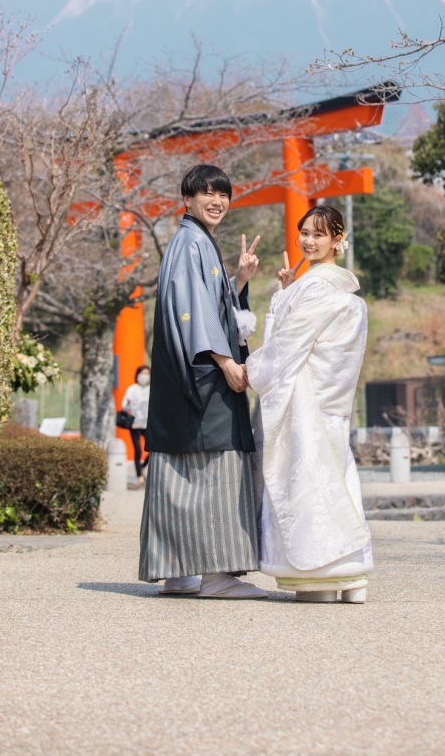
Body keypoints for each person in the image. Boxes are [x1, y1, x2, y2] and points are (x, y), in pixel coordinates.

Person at [138, 163, 267, 600]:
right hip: (205, 374)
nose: (217, 200)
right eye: (207, 193)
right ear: (187, 199)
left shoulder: (194, 243)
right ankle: (215, 574)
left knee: (178, 470)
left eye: (224, 194)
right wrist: (226, 361)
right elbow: (192, 311)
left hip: (184, 376)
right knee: (219, 465)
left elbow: (206, 303)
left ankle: (177, 571)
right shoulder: (191, 243)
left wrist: (239, 280)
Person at [247, 204, 373, 604]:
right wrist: (288, 292)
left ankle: (318, 574)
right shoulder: (342, 291)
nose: (308, 240)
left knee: (306, 483)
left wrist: (249, 370)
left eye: (319, 234)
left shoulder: (315, 287)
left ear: (338, 240)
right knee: (339, 478)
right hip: (332, 405)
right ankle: (353, 575)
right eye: (304, 232)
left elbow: (286, 345)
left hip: (306, 405)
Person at [120, 364, 151, 486]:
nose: (144, 376)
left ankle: (143, 466)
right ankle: (139, 476)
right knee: (137, 450)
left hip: (148, 423)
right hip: (135, 424)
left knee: (152, 448)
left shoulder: (151, 389)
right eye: (142, 373)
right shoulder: (132, 389)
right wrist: (129, 404)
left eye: (146, 374)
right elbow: (124, 406)